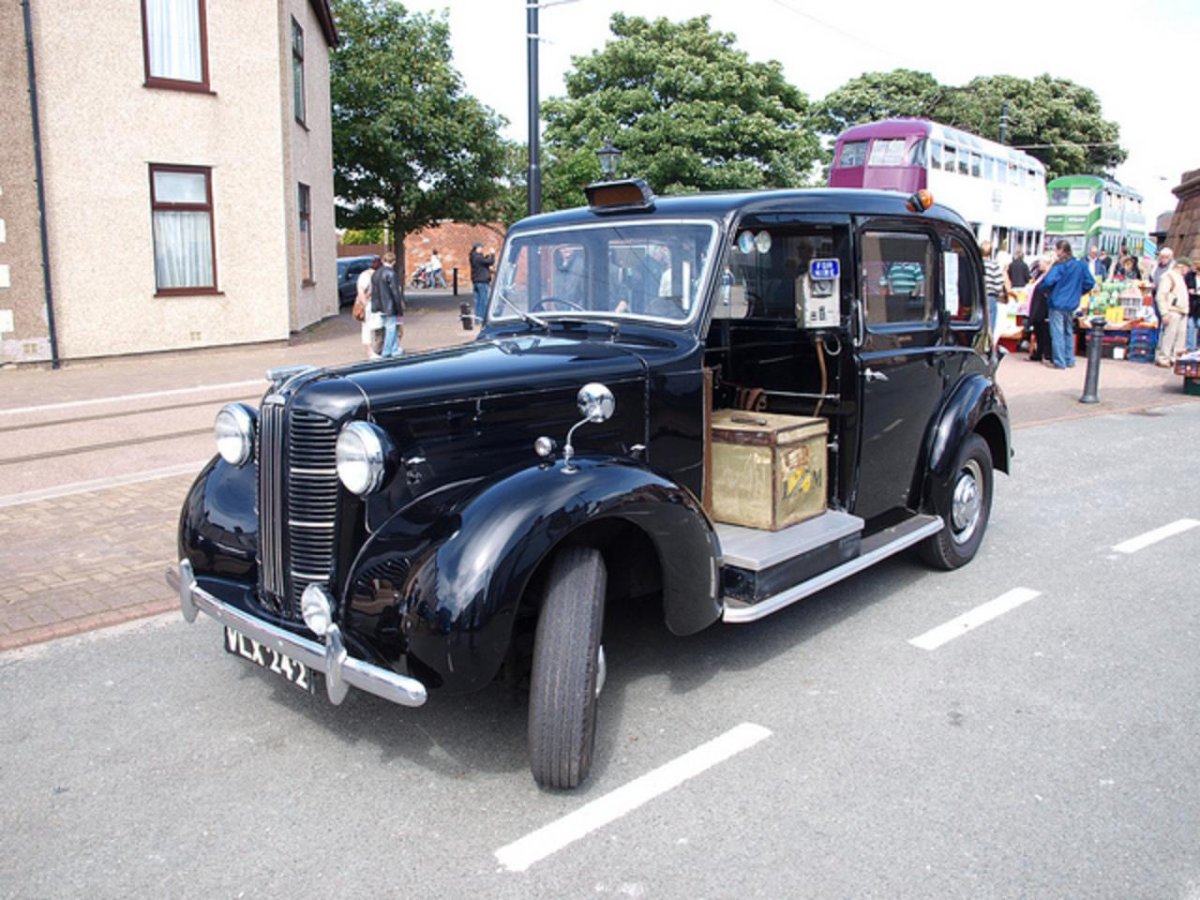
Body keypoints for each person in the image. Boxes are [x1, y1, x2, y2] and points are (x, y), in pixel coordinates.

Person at [1039, 240, 1095, 369]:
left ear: (1060, 251)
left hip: (1057, 301)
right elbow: (1090, 282)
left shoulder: (1059, 265)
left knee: (1057, 332)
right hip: (1072, 303)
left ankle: (1059, 361)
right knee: (1068, 331)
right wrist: (1079, 291)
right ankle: (1069, 359)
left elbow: (1048, 281)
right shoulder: (1080, 265)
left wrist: (1045, 291)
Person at [1155, 258, 1189, 366]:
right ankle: (1163, 358)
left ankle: (1175, 358)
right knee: (1169, 335)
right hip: (1172, 310)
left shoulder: (1181, 278)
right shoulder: (1168, 276)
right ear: (1181, 266)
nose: (1187, 271)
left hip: (1182, 310)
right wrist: (1164, 313)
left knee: (1180, 336)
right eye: (1187, 268)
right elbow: (1161, 296)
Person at [372, 251, 404, 358]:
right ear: (393, 262)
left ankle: (394, 349)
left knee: (390, 327)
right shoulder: (391, 274)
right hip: (389, 306)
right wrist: (399, 308)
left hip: (378, 306)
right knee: (391, 328)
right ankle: (387, 351)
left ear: (383, 260)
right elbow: (395, 292)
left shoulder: (376, 273)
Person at [358, 256, 382, 359]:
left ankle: (374, 350)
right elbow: (361, 291)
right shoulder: (367, 276)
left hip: (372, 304)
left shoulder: (367, 274)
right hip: (369, 304)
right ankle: (370, 351)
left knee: (374, 327)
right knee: (368, 328)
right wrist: (365, 305)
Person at [981, 239, 1004, 336]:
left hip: (979, 296)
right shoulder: (994, 265)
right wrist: (999, 293)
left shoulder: (977, 264)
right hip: (991, 296)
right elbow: (999, 283)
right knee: (990, 324)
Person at [469, 242, 495, 324]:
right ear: (477, 248)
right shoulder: (478, 257)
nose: (482, 249)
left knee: (477, 302)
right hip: (482, 281)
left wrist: (487, 256)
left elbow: (484, 262)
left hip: (476, 281)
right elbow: (490, 262)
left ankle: (478, 319)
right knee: (483, 301)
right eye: (481, 248)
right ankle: (483, 319)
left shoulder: (473, 257)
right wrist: (492, 254)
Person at [1184, 258, 1200, 352]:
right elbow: (1185, 286)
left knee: (1198, 324)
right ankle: (1190, 347)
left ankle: (1197, 346)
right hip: (1191, 303)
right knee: (1191, 326)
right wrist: (1190, 290)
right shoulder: (1189, 276)